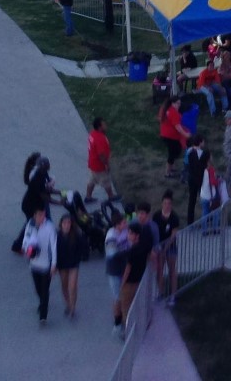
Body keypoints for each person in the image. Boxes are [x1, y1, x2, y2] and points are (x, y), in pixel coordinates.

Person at [114, 204, 155, 338]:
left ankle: (128, 333)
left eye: (131, 233)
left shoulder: (132, 251)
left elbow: (128, 268)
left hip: (130, 283)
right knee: (137, 306)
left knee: (126, 309)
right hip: (139, 281)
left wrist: (122, 283)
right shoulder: (143, 248)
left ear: (136, 235)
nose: (129, 235)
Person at [21, 207, 58, 324]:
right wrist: (27, 249)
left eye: (44, 215)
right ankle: (42, 303)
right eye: (40, 215)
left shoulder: (49, 227)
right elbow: (25, 241)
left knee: (45, 289)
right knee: (38, 288)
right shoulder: (30, 225)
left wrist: (54, 264)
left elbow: (54, 246)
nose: (43, 218)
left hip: (46, 265)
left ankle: (43, 315)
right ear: (35, 215)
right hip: (34, 264)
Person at [55, 212, 86, 320]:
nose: (67, 225)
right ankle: (68, 304)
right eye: (64, 223)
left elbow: (83, 247)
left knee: (72, 286)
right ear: (61, 224)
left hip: (73, 264)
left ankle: (73, 307)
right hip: (62, 264)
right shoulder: (56, 236)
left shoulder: (76, 235)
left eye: (69, 223)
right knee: (64, 285)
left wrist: (81, 257)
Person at [152, 191, 182, 300]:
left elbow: (173, 235)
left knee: (172, 270)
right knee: (159, 270)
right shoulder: (156, 215)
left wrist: (165, 248)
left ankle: (173, 294)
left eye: (169, 203)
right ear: (161, 204)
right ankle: (161, 292)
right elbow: (153, 231)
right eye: (165, 203)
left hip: (170, 247)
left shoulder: (174, 217)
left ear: (171, 204)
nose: (167, 206)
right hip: (159, 246)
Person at [85, 117, 116, 201]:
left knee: (92, 180)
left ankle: (88, 197)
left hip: (93, 163)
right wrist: (106, 165)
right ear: (100, 127)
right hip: (99, 166)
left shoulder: (93, 134)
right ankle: (111, 196)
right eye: (104, 124)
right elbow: (101, 155)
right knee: (106, 181)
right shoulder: (100, 139)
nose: (106, 125)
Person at [181, 135, 210, 221]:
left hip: (192, 179)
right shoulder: (203, 153)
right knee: (205, 200)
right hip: (201, 179)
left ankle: (190, 221)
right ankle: (208, 219)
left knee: (192, 201)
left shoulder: (189, 152)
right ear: (200, 142)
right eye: (203, 141)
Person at [157, 97, 188, 178]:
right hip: (171, 137)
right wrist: (185, 134)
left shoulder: (166, 109)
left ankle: (172, 167)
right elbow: (178, 127)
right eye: (177, 103)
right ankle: (167, 173)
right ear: (172, 103)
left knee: (174, 151)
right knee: (173, 153)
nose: (179, 105)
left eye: (179, 103)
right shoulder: (174, 113)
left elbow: (160, 118)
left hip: (165, 135)